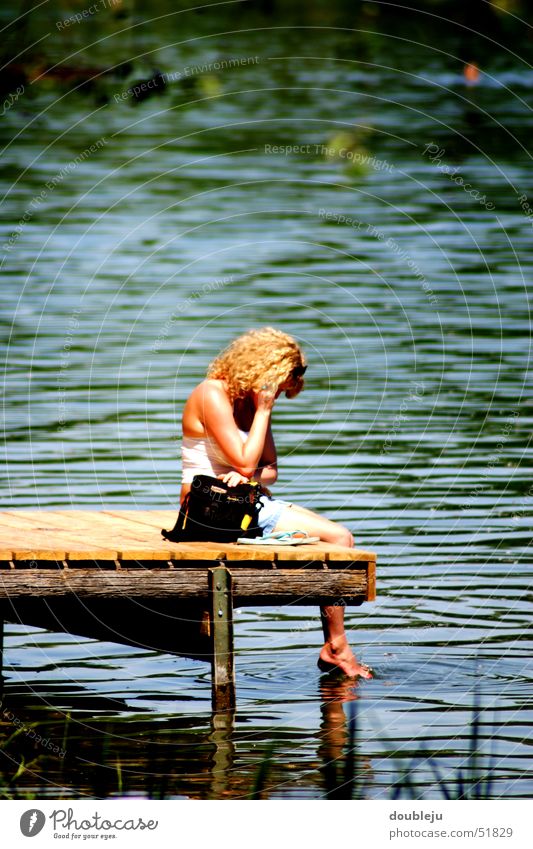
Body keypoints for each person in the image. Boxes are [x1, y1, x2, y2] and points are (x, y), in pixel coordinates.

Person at [180, 326, 372, 679]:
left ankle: (335, 645)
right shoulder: (211, 395)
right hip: (210, 510)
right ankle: (336, 647)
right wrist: (263, 414)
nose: (276, 398)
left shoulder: (249, 403)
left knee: (331, 536)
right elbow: (245, 461)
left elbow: (268, 471)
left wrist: (249, 476)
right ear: (263, 371)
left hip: (244, 505)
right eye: (278, 389)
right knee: (340, 539)